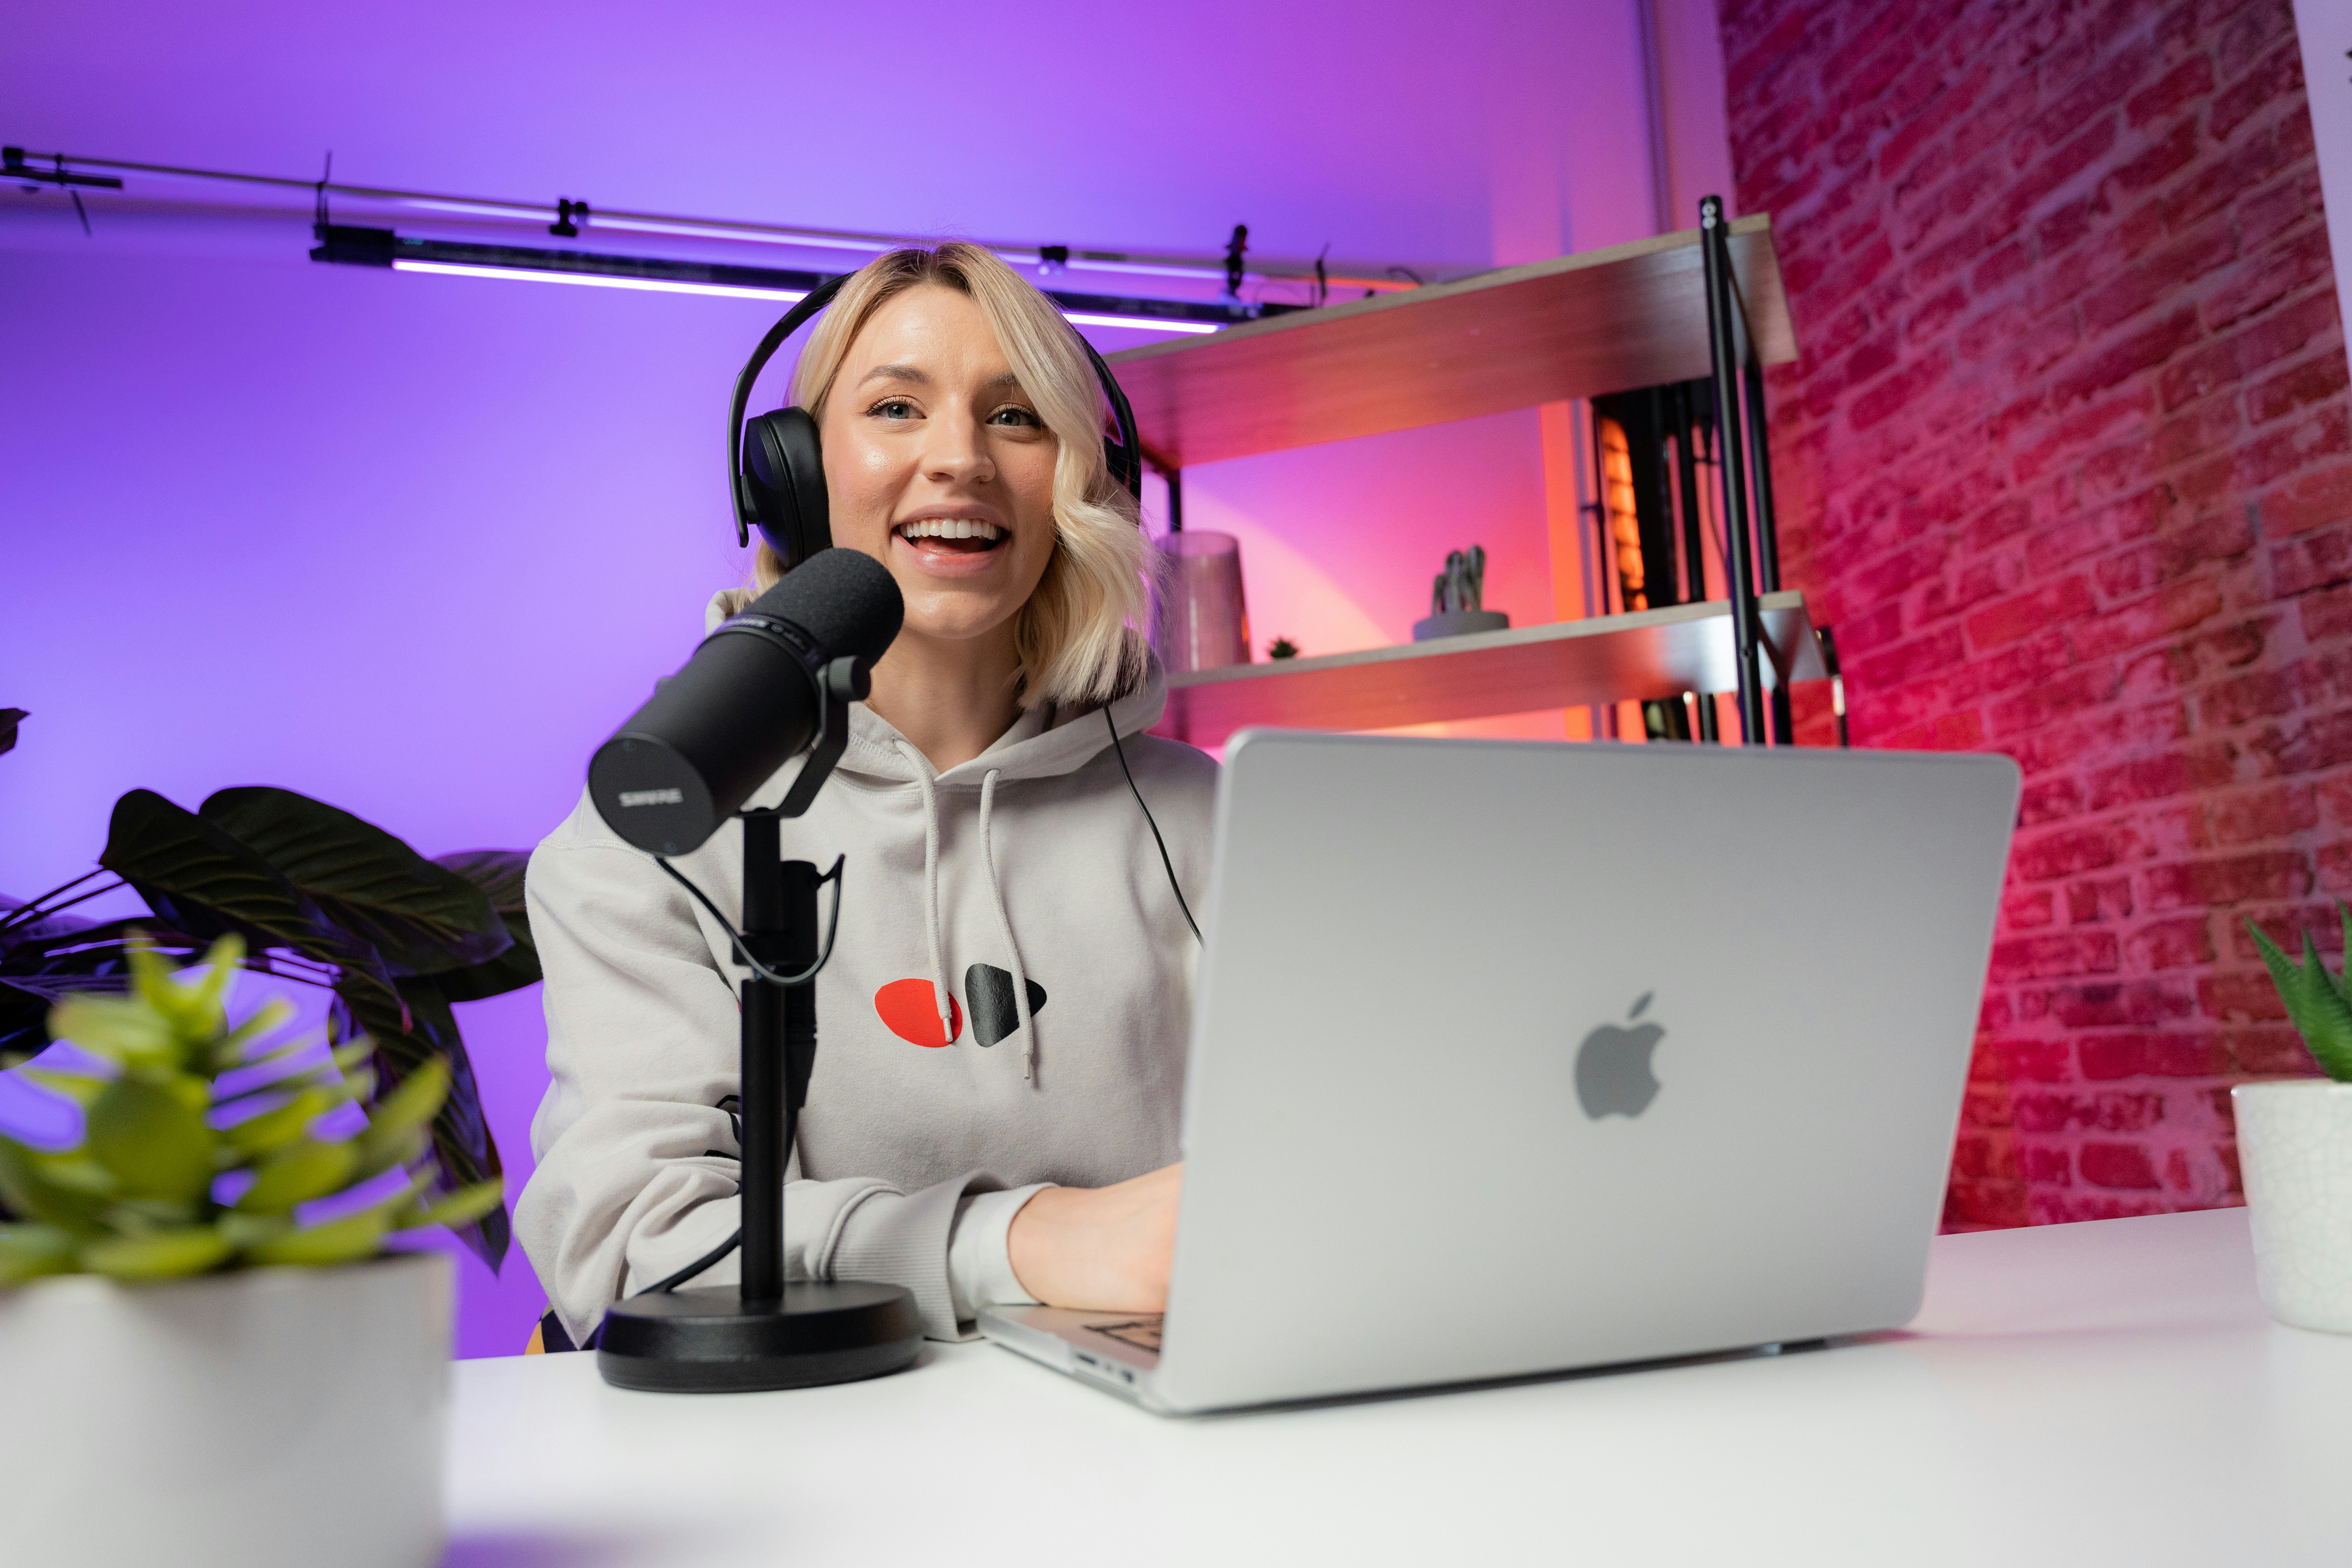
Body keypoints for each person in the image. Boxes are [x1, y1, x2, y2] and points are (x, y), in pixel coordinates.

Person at [517, 243, 1212, 1348]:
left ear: (1083, 477)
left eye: (1018, 415)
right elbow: (625, 1244)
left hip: (1159, 1451)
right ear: (792, 472)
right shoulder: (653, 832)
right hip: (813, 1460)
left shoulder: (1213, 825)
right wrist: (1024, 1241)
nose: (960, 460)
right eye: (897, 407)